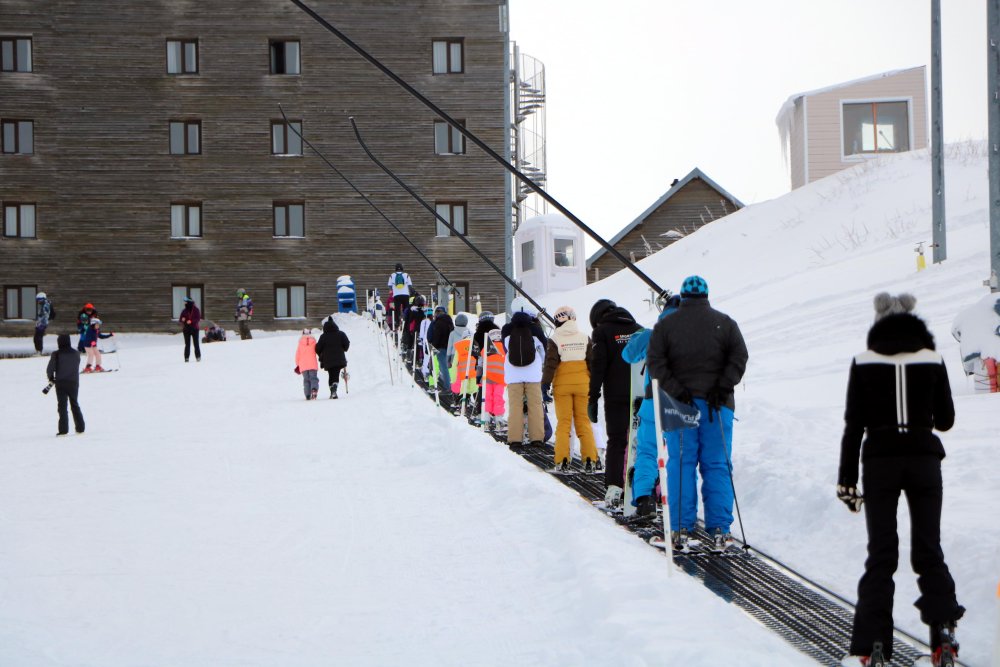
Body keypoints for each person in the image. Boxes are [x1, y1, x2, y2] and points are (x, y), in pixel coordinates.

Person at [838, 293, 964, 665]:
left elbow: (853, 426)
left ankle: (871, 646)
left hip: (880, 463)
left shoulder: (863, 361)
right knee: (929, 549)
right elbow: (946, 420)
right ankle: (943, 636)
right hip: (925, 461)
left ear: (878, 325)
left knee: (882, 554)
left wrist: (846, 480)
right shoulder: (932, 358)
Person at [646, 275, 748, 551]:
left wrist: (677, 390)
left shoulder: (666, 325)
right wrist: (722, 385)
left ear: (682, 296)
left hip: (680, 405)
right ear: (706, 296)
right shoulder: (725, 323)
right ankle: (720, 531)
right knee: (717, 463)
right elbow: (739, 358)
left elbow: (655, 362)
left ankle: (679, 529)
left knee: (682, 463)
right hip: (718, 406)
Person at [622, 294, 681, 510]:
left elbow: (628, 356)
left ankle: (644, 499)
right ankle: (679, 505)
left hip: (653, 400)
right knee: (681, 455)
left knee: (647, 450)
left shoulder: (652, 334)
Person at [588, 299, 642, 494]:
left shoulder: (601, 332)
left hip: (615, 397)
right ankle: (642, 490)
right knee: (639, 441)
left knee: (617, 441)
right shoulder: (639, 329)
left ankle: (614, 489)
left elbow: (598, 367)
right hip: (640, 396)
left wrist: (592, 397)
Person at [542, 306, 601, 472]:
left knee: (564, 424)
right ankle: (590, 459)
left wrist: (545, 384)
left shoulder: (555, 339)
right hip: (583, 385)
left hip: (562, 387)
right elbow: (592, 364)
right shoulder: (584, 338)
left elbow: (550, 364)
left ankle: (562, 461)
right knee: (583, 422)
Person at [504, 300, 546, 447]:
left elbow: (505, 350)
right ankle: (537, 439)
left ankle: (515, 439)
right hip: (533, 373)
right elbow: (543, 349)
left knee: (515, 407)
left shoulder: (506, 329)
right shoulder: (535, 329)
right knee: (535, 405)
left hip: (513, 373)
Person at [46, 333, 85, 435]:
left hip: (61, 383)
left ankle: (63, 430)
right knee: (75, 404)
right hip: (74, 383)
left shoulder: (56, 354)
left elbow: (50, 369)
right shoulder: (76, 353)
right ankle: (80, 427)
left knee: (62, 407)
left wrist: (51, 378)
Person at [315, 316, 350, 399]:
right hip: (339, 359)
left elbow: (317, 348)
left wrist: (321, 354)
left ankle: (332, 390)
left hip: (328, 361)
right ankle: (334, 387)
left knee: (331, 375)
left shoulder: (323, 337)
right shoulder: (341, 334)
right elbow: (347, 344)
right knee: (336, 374)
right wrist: (344, 348)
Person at [427, 305, 455, 399]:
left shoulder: (436, 322)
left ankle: (447, 388)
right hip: (450, 348)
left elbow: (432, 336)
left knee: (442, 367)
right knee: (450, 367)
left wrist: (433, 346)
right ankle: (453, 386)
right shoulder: (450, 322)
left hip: (440, 348)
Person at [295, 327, 320, 400]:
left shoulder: (300, 343)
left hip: (303, 365)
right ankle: (314, 389)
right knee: (313, 378)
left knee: (306, 380)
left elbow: (297, 355)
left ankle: (307, 395)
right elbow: (317, 351)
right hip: (312, 364)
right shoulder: (314, 342)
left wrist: (298, 364)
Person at [388, 263, 412, 331]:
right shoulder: (406, 275)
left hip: (396, 295)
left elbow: (389, 286)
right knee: (406, 309)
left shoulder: (392, 275)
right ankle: (406, 322)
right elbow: (410, 285)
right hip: (406, 295)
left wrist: (392, 290)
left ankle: (397, 323)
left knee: (397, 310)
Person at [179, 296, 202, 362]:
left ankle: (198, 357)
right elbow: (181, 319)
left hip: (195, 329)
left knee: (196, 344)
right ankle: (186, 358)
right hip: (186, 330)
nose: (185, 303)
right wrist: (182, 320)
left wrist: (191, 321)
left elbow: (198, 318)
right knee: (187, 344)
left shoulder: (196, 310)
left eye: (186, 302)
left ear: (189, 302)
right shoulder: (184, 311)